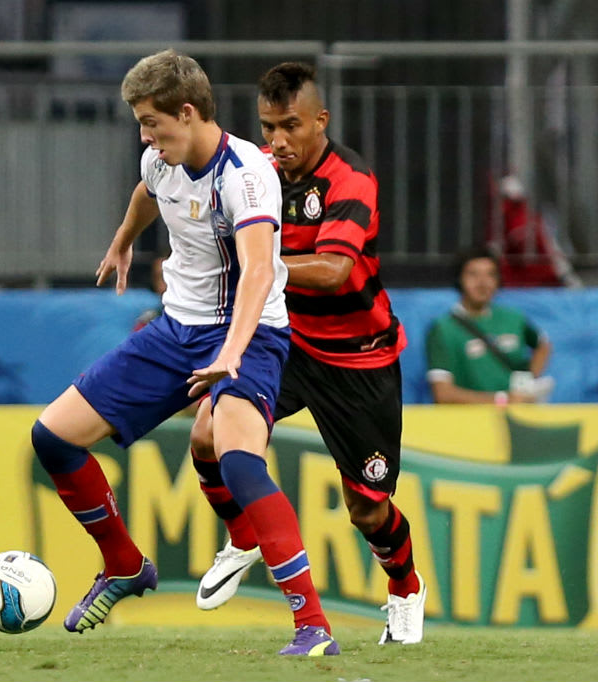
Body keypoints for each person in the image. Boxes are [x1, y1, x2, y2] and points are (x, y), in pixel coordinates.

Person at [29, 49, 339, 656]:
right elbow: (151, 190)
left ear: (189, 112)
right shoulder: (160, 160)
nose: (145, 136)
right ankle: (122, 563)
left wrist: (232, 353)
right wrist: (123, 238)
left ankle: (313, 626)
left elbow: (258, 272)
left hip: (250, 333)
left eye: (152, 122)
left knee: (240, 461)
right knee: (52, 437)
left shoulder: (246, 173)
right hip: (177, 331)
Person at [188, 62, 426, 646]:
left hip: (358, 360)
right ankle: (244, 535)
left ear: (320, 120)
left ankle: (404, 586)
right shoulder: (260, 172)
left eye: (290, 126)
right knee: (205, 436)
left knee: (368, 512)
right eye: (268, 127)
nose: (278, 141)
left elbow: (333, 270)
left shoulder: (350, 180)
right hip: (288, 345)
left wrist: (260, 266)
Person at [426, 245, 554, 405]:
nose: (482, 283)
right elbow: (443, 394)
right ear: (459, 278)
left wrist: (527, 383)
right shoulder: (443, 329)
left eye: (490, 275)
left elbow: (543, 345)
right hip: (468, 422)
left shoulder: (514, 318)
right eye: (473, 275)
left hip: (514, 420)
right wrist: (502, 400)